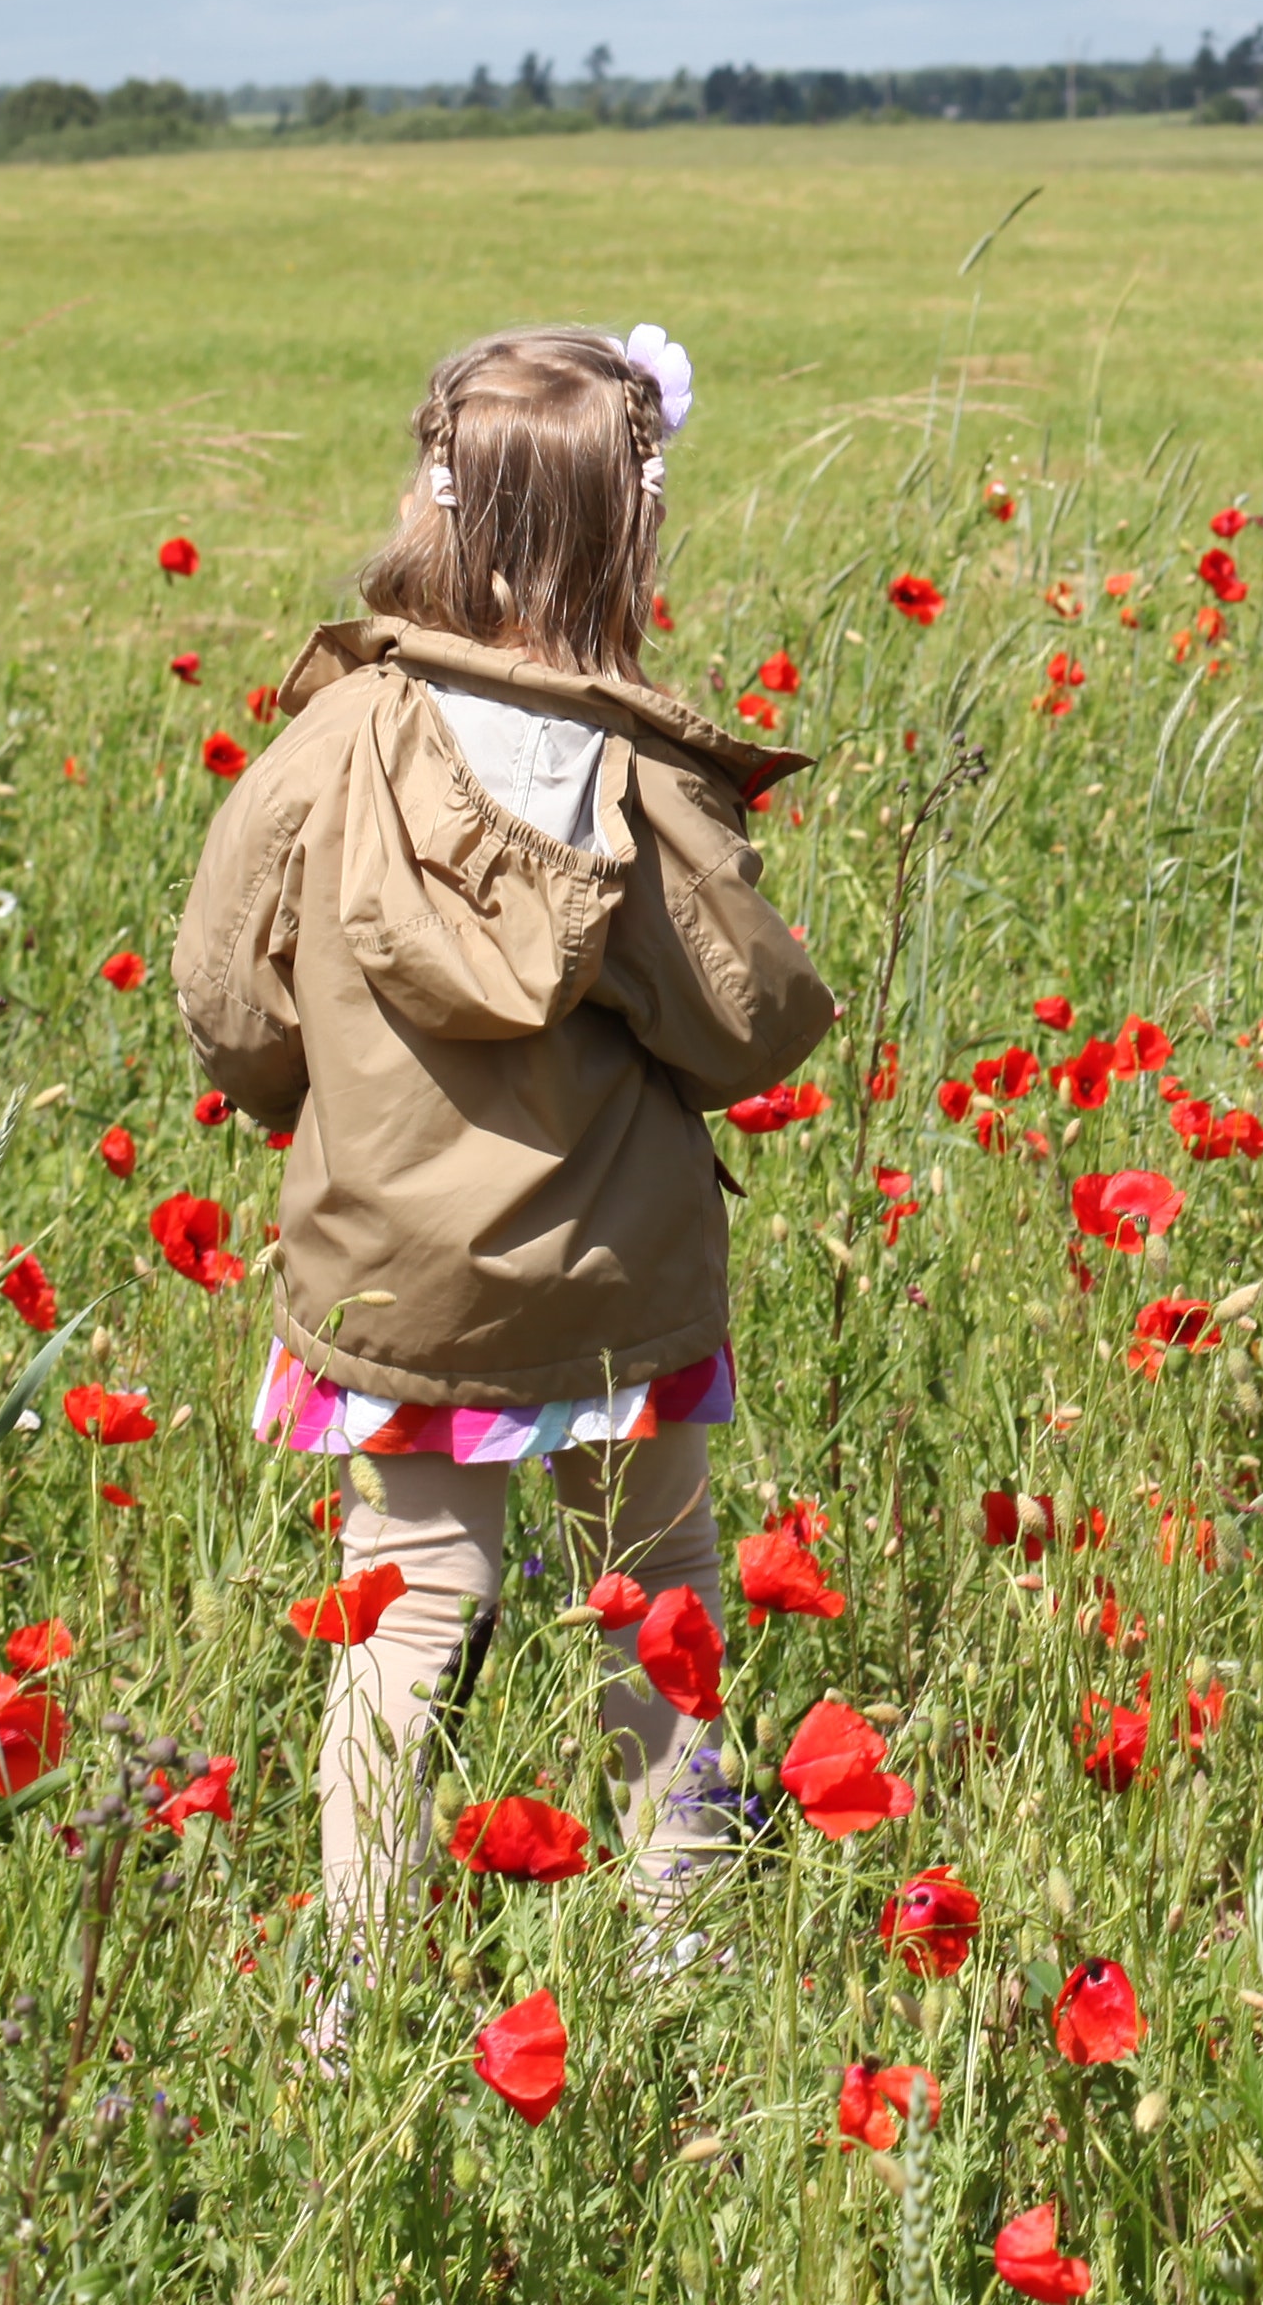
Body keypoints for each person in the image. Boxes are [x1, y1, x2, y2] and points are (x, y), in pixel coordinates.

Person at [174, 323, 835, 1931]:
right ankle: (679, 1934)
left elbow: (222, 995)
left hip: (398, 1278)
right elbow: (748, 1024)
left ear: (435, 500)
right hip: (617, 1277)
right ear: (632, 528)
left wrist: (317, 1111)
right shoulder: (642, 780)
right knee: (654, 1591)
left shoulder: (330, 748)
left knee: (405, 1612)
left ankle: (356, 1990)